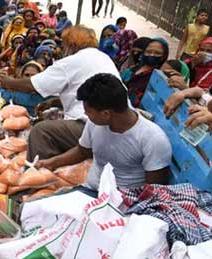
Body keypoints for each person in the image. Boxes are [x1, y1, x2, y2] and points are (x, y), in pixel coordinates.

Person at [0, 25, 121, 160]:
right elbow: (85, 93)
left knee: (41, 131)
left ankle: (37, 173)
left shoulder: (74, 60)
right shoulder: (103, 58)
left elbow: (32, 84)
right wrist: (55, 102)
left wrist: (7, 82)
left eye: (64, 46)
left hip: (94, 126)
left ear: (72, 45)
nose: (62, 50)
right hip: (113, 126)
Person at [37, 73, 172, 190]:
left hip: (123, 203)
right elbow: (82, 151)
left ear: (106, 113)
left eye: (88, 111)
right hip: (90, 190)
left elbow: (154, 189)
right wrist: (51, 162)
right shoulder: (94, 123)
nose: (85, 114)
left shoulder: (153, 139)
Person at [121, 37, 169, 107]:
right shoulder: (133, 68)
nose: (152, 55)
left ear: (163, 56)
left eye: (157, 53)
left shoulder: (159, 77)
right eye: (149, 52)